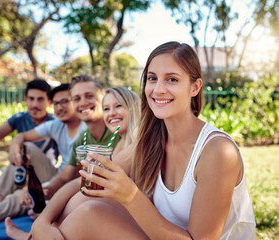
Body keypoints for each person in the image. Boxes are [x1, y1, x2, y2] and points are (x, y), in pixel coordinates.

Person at [32, 42, 256, 240]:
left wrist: (131, 196)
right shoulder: (151, 139)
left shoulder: (217, 151)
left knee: (89, 216)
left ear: (195, 87)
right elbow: (84, 182)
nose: (158, 89)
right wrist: (42, 221)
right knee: (81, 203)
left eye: (172, 79)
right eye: (152, 78)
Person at [6, 86, 141, 240]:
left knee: (83, 200)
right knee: (80, 198)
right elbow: (76, 181)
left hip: (137, 219)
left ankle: (36, 236)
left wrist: (43, 219)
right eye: (106, 108)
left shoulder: (136, 146)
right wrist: (44, 218)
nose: (111, 113)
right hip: (120, 213)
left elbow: (88, 181)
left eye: (118, 106)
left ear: (134, 108)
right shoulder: (120, 144)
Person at [0, 78, 59, 226]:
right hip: (22, 175)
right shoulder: (20, 118)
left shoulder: (55, 122)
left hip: (47, 177)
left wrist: (16, 145)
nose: (35, 104)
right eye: (31, 99)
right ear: (25, 99)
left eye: (40, 100)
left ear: (49, 102)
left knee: (25, 148)